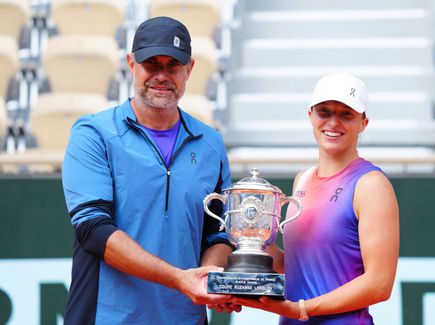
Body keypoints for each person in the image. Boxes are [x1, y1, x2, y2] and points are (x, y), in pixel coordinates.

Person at [61, 16, 238, 324]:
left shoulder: (211, 143)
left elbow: (218, 233)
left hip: (185, 317)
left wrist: (211, 276)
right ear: (131, 63)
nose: (161, 75)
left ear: (190, 69)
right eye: (151, 63)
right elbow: (93, 230)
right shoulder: (93, 133)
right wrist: (178, 279)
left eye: (173, 65)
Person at [233, 73, 400, 324]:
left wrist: (302, 309)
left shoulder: (371, 185)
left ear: (363, 122)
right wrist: (253, 240)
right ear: (310, 115)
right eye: (324, 112)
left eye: (346, 114)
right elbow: (296, 267)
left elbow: (379, 284)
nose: (333, 122)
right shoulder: (303, 179)